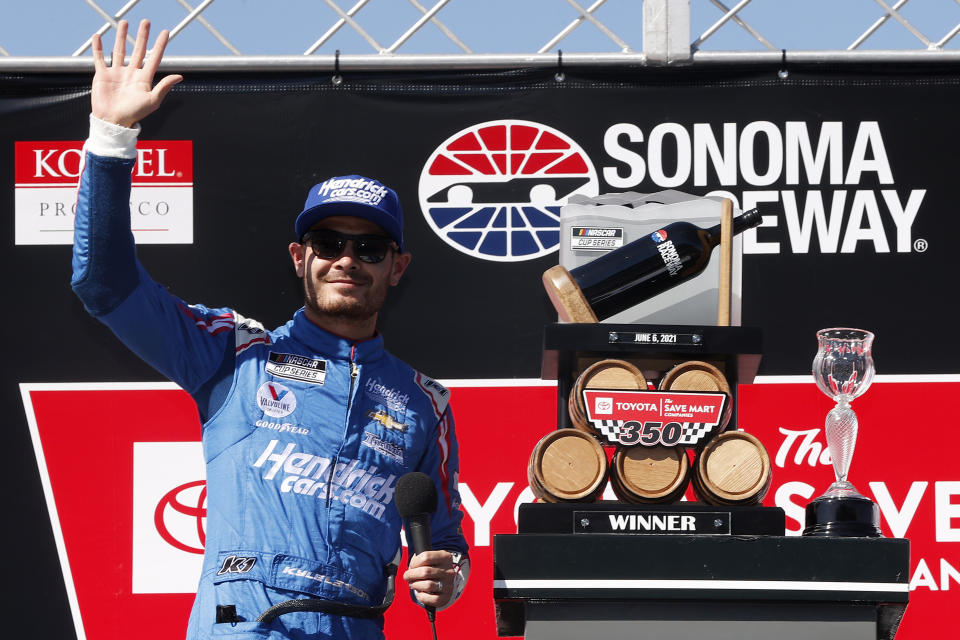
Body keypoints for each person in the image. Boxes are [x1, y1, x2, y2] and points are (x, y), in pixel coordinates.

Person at [71, 19, 469, 640]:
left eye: (369, 247)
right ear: (298, 257)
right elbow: (105, 284)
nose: (346, 259)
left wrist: (446, 575)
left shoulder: (426, 403)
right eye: (328, 242)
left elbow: (445, 544)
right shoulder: (235, 353)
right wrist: (112, 137)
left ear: (398, 267)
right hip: (242, 625)